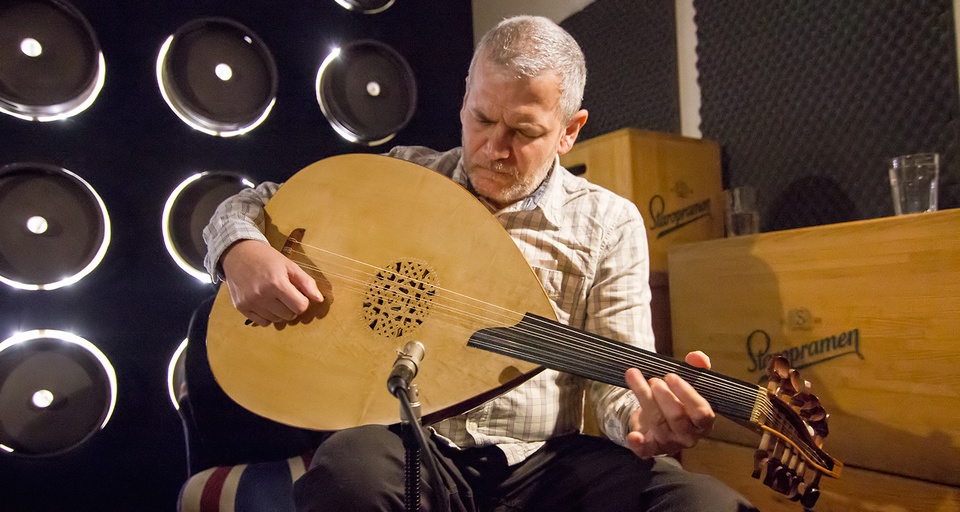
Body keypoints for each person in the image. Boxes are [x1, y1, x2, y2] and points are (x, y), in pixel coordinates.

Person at [203, 15, 757, 512]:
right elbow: (252, 205)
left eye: (524, 131)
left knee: (704, 503)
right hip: (413, 444)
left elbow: (616, 388)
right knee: (348, 473)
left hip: (545, 464)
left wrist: (643, 420)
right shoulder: (405, 177)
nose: (494, 147)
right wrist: (238, 252)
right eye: (481, 118)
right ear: (465, 98)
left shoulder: (608, 224)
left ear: (569, 131)